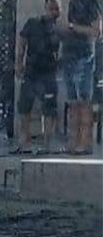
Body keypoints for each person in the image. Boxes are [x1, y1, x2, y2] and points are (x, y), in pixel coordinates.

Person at [15, 0, 62, 154]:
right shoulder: (33, 23)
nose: (54, 12)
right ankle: (24, 142)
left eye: (57, 9)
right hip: (31, 72)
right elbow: (22, 42)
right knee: (24, 107)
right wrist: (19, 63)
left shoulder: (59, 29)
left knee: (49, 109)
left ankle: (48, 143)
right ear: (45, 8)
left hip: (48, 73)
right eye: (52, 8)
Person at [62, 0, 101, 155]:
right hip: (68, 55)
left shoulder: (91, 3)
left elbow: (96, 31)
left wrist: (73, 27)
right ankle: (73, 142)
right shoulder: (72, 3)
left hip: (84, 56)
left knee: (84, 101)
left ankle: (85, 142)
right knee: (72, 102)